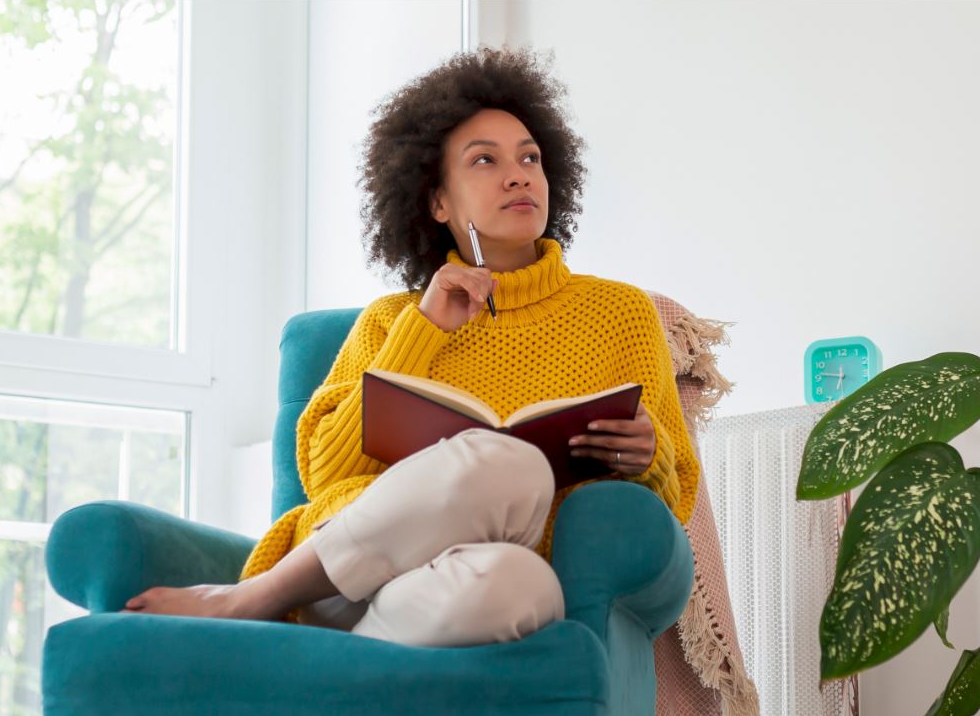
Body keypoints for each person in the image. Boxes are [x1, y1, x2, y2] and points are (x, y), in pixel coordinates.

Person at [127, 47, 699, 647]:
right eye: (485, 160)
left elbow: (676, 493)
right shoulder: (392, 319)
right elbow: (326, 475)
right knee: (510, 463)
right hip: (337, 583)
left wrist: (648, 456)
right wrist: (423, 330)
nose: (518, 174)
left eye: (530, 157)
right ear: (437, 202)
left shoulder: (620, 313)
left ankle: (343, 673)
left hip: (473, 586)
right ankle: (257, 596)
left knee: (525, 586)